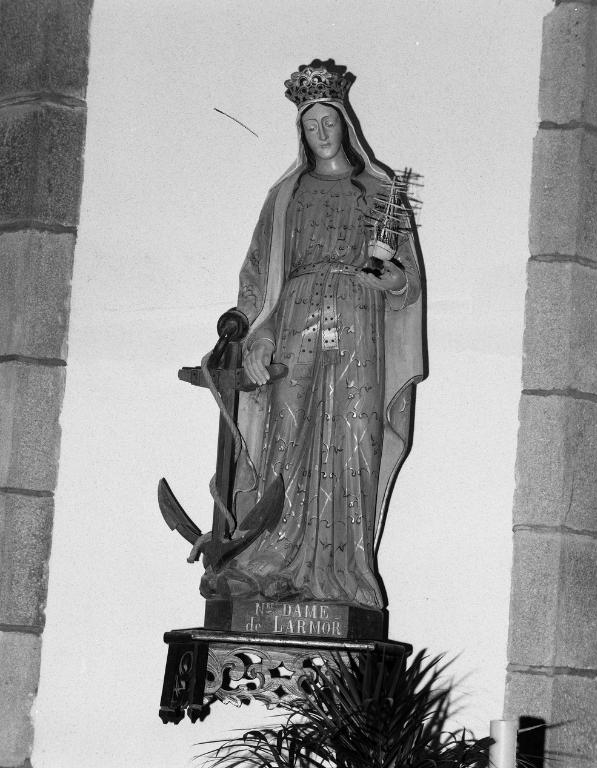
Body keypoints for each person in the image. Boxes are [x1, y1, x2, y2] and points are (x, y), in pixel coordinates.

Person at [200, 62, 425, 610]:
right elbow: (258, 276)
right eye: (310, 125)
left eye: (328, 121)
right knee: (287, 435)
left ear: (345, 122)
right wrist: (257, 336)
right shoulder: (286, 195)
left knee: (354, 438)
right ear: (300, 131)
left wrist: (392, 279)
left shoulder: (379, 189)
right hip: (296, 317)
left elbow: (406, 280)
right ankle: (268, 561)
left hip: (358, 321)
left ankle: (343, 576)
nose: (320, 132)